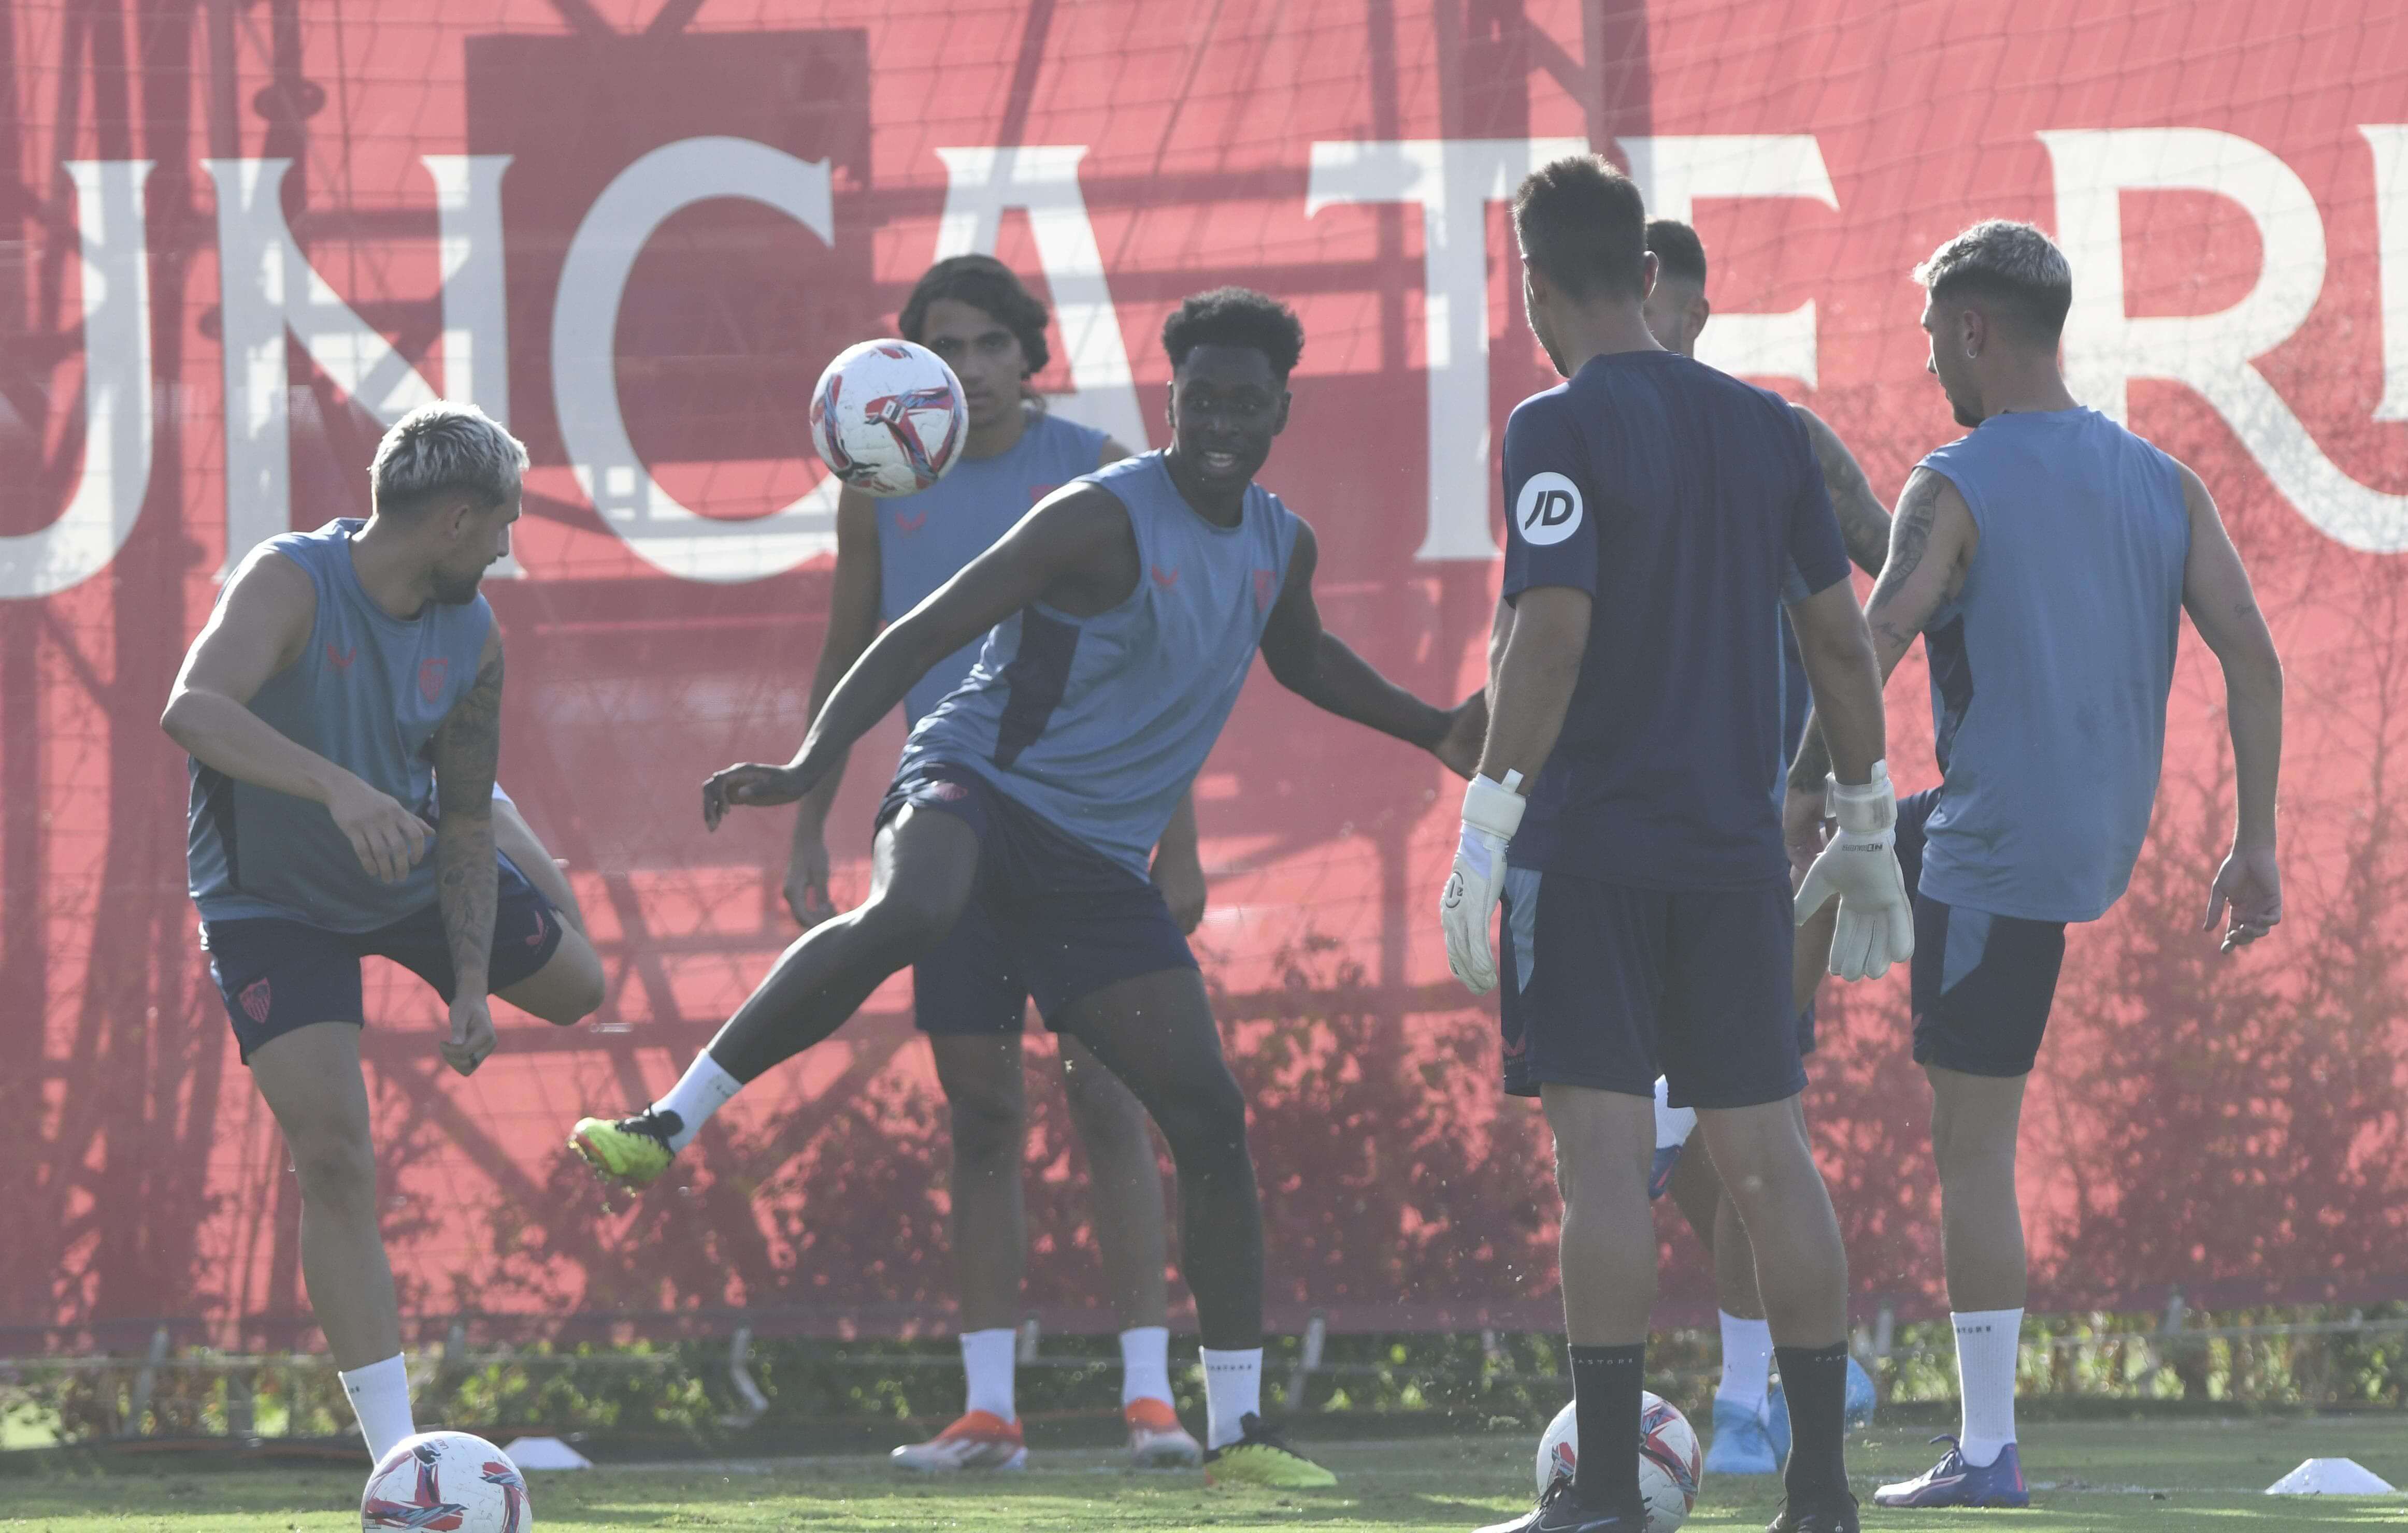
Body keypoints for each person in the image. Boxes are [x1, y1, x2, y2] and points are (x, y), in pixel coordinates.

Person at [571, 286, 1485, 1489]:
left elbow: (1300, 654)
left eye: (1242, 402)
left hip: (1094, 869)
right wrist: (809, 768)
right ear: (1170, 399)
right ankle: (662, 1127)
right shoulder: (1095, 515)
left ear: (1278, 412)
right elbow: (917, 634)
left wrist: (1432, 728)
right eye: (1198, 396)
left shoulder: (1279, 541)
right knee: (915, 913)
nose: (1218, 418)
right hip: (972, 785)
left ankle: (1239, 1430)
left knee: (1205, 1116)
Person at [1780, 220, 2284, 1509]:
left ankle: (1989, 1447)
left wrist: (1804, 786)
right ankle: (1724, 1066)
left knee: (1970, 1149)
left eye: (1928, 337)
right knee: (1833, 859)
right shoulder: (2162, 480)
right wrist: (2254, 841)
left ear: (1970, 330)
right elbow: (2253, 658)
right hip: (2071, 840)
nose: (1927, 361)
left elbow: (1872, 642)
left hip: (1995, 856)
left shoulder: (1951, 481)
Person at [1444, 155, 1908, 1533]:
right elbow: (1837, 634)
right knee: (1773, 1165)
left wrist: (1486, 815)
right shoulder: (1769, 430)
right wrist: (1869, 813)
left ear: (1534, 286)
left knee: (1601, 1171)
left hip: (1587, 853)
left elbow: (1554, 631)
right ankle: (1821, 1499)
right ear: (1648, 277)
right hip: (1731, 859)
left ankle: (1607, 1507)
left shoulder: (1553, 425)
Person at [783, 255, 1205, 1472]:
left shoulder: (1093, 473)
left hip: (1087, 826)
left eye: (986, 345)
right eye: (942, 348)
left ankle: (1149, 1399)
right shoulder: (878, 479)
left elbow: (1153, 666)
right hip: (949, 824)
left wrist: (1174, 843)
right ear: (910, 371)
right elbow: (847, 644)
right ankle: (986, 1414)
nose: (967, 368)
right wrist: (808, 814)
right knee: (980, 1109)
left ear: (1029, 354)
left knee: (1109, 1096)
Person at [162, 401, 606, 1463]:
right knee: (334, 1157)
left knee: (581, 986)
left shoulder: (475, 633)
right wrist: (339, 790)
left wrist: (464, 982)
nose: (505, 548)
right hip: (269, 900)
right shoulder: (289, 579)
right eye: (500, 524)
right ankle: (400, 1458)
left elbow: (449, 823)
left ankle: (513, 820)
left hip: (411, 862)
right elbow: (193, 710)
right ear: (456, 520)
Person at [1636, 217, 1886, 1474]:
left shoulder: (1775, 438)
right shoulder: (1568, 434)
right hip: (1609, 841)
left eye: (1659, 304)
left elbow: (1892, 580)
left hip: (1759, 840)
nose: (1640, 329)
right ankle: (1805, 1364)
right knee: (1655, 1134)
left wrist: (1862, 800)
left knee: (1744, 1119)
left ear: (1687, 305)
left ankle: (1751, 1398)